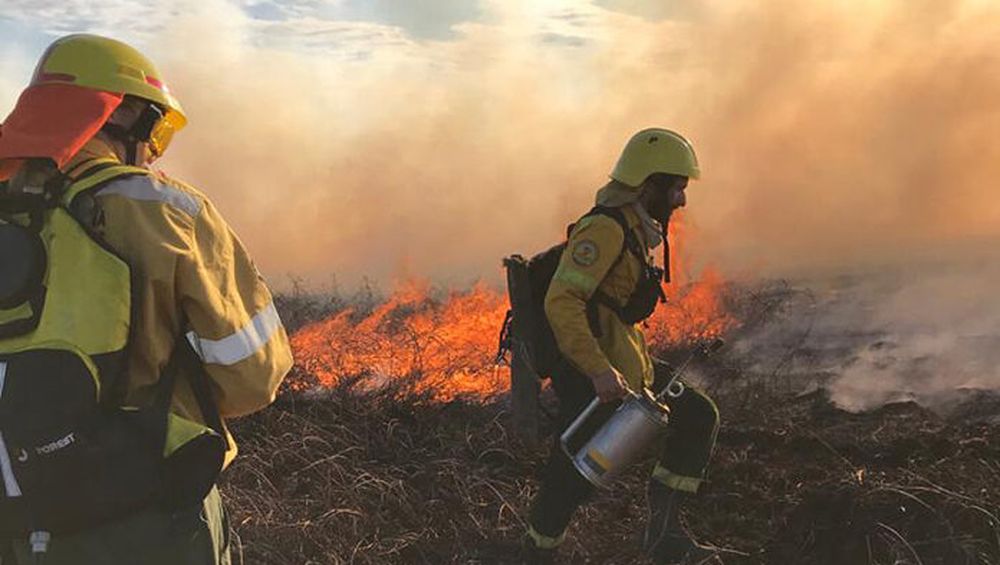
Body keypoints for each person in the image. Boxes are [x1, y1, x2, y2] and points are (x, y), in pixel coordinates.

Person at [0, 34, 292, 564]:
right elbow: (254, 375)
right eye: (155, 128)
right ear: (124, 113)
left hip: (20, 514)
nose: (155, 149)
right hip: (149, 511)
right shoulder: (165, 210)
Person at [522, 128, 721, 564]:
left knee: (697, 415)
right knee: (572, 472)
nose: (681, 201)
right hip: (596, 373)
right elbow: (562, 300)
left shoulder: (635, 227)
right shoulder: (605, 230)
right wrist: (597, 370)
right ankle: (537, 552)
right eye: (676, 189)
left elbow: (614, 311)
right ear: (648, 185)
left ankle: (662, 535)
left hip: (627, 367)